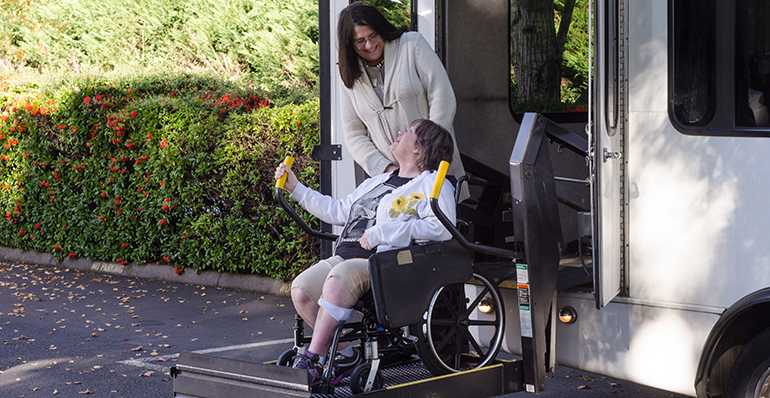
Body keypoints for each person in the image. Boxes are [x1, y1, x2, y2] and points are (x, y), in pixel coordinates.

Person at [274, 119, 457, 385]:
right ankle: (345, 355)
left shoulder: (432, 184)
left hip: (385, 263)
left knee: (338, 281)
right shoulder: (379, 181)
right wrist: (296, 189)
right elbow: (339, 211)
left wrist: (382, 233)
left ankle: (312, 358)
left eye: (408, 131)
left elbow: (442, 228)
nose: (400, 132)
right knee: (302, 290)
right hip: (346, 257)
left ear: (420, 149)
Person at [337, 2, 468, 200]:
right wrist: (387, 169)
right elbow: (354, 134)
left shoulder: (411, 44)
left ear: (381, 28)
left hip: (435, 170)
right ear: (349, 44)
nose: (369, 45)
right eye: (360, 41)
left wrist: (428, 154)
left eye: (373, 36)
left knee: (441, 225)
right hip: (393, 184)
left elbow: (442, 95)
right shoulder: (347, 74)